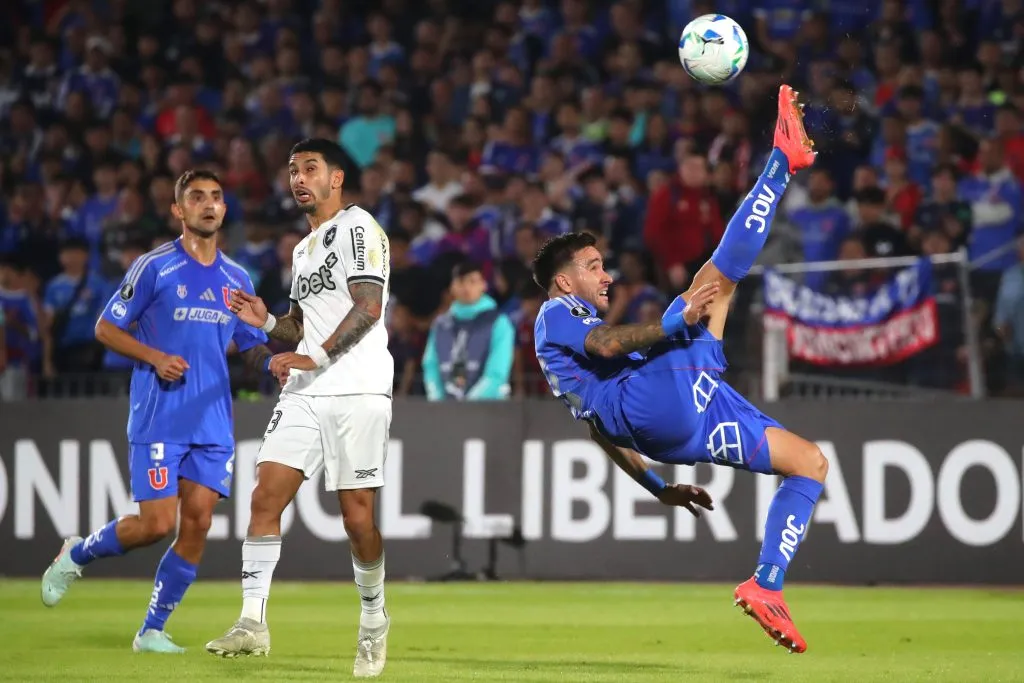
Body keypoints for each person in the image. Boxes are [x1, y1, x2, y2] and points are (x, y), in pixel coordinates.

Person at [532, 86, 825, 654]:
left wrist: (658, 489)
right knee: (714, 285)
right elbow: (610, 343)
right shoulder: (555, 314)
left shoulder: (565, 362)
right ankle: (783, 159)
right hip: (656, 402)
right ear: (565, 282)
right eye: (593, 268)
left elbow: (598, 430)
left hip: (671, 424)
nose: (606, 277)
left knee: (809, 463)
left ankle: (767, 587)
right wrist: (676, 324)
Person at [39, 170, 273, 653]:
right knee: (156, 525)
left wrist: (275, 362)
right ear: (178, 210)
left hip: (212, 422)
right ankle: (77, 552)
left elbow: (248, 344)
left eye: (215, 198)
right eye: (196, 198)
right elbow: (106, 328)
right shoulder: (154, 267)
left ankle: (151, 630)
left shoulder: (237, 277)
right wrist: (155, 357)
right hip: (160, 415)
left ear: (224, 209)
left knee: (200, 523)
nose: (208, 205)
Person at [209, 138, 394, 678]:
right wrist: (267, 323)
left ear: (336, 178)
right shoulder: (303, 249)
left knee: (358, 519)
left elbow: (368, 307)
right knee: (266, 494)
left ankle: (374, 618)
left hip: (358, 389)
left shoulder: (360, 228)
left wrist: (310, 356)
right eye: (292, 170)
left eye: (310, 168)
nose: (298, 178)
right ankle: (251, 622)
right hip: (306, 392)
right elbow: (298, 327)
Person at [422, 260, 515, 401]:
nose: (466, 287)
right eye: (460, 282)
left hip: (489, 412)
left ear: (483, 285)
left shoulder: (499, 323)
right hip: (444, 414)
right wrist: (437, 403)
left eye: (472, 281)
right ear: (452, 287)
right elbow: (431, 367)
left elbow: (497, 373)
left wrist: (467, 408)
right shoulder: (440, 325)